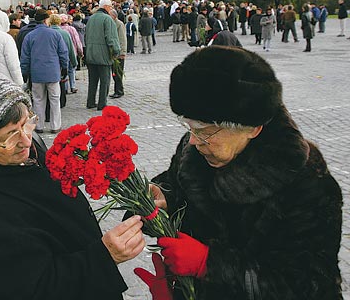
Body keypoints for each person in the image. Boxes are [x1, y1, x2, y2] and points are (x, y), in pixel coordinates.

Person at [135, 46, 342, 299]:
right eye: (188, 126)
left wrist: (209, 264)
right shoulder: (196, 152)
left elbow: (307, 286)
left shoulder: (307, 184)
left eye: (204, 130)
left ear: (252, 128)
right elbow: (178, 184)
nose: (192, 140)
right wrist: (165, 196)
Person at [0, 72, 145, 300]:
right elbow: (35, 288)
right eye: (10, 136)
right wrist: (103, 255)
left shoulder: (21, 154)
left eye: (26, 124)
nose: (26, 140)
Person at [20, 9, 68, 133]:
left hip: (36, 74)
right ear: (46, 20)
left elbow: (25, 57)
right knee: (55, 100)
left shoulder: (29, 36)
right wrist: (65, 68)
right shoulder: (55, 34)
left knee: (38, 100)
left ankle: (39, 126)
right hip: (53, 73)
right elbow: (63, 53)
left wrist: (25, 73)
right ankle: (55, 126)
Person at [84, 0, 121, 111]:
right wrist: (116, 52)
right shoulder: (107, 19)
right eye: (110, 7)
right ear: (106, 7)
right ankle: (102, 103)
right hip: (103, 55)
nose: (111, 9)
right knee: (104, 81)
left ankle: (90, 101)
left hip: (91, 54)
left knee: (93, 80)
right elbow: (111, 38)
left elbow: (86, 36)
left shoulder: (91, 18)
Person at [109, 9, 126, 99]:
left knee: (118, 73)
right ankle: (118, 89)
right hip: (113, 53)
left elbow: (122, 39)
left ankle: (119, 91)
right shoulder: (111, 24)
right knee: (114, 73)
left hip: (119, 54)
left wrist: (122, 52)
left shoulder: (119, 24)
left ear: (114, 16)